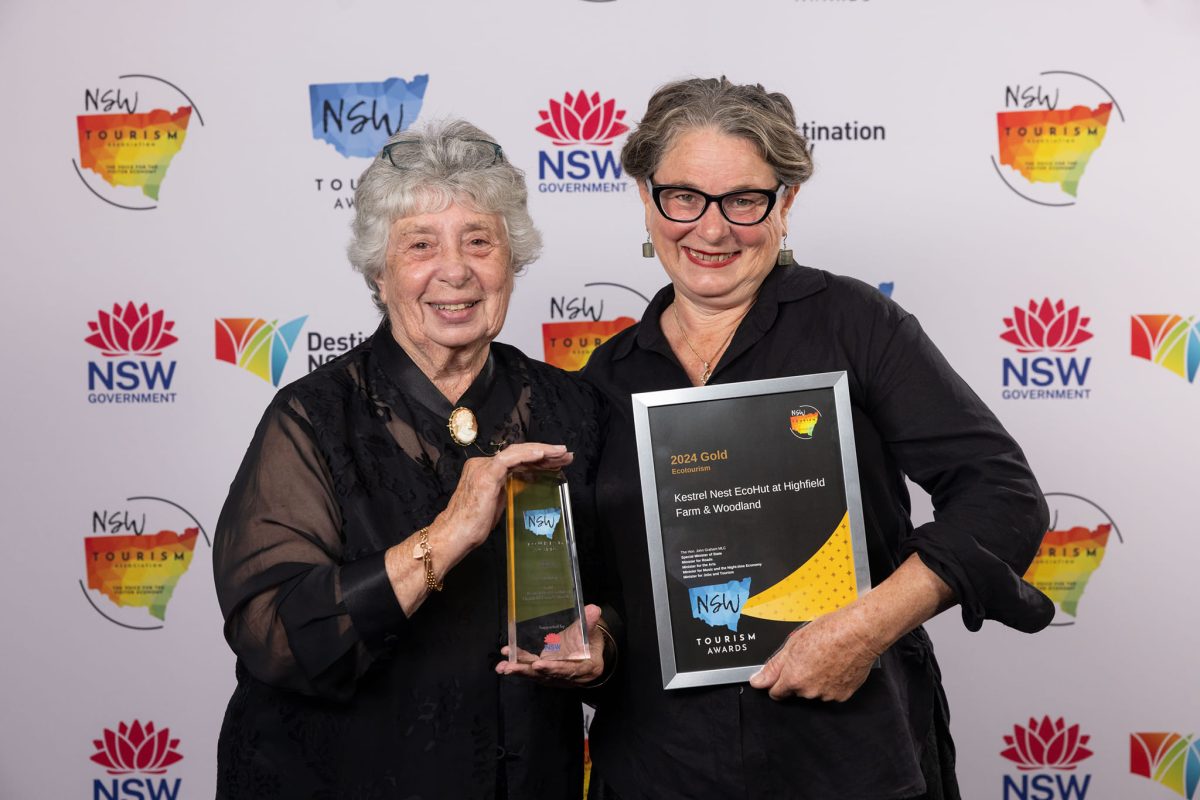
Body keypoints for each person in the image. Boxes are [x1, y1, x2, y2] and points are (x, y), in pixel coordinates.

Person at [582, 77, 1053, 800]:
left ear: (787, 201)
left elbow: (1003, 497)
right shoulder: (605, 376)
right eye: (684, 197)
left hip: (846, 757)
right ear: (646, 196)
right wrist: (593, 639)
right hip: (661, 766)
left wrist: (864, 630)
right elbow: (606, 586)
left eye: (744, 200)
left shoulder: (855, 325)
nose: (711, 230)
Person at [213, 119, 609, 799]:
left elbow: (623, 595)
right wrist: (448, 535)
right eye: (421, 244)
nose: (455, 270)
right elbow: (273, 633)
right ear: (379, 269)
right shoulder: (313, 417)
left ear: (512, 261)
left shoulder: (573, 406)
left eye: (479, 241)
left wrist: (603, 656)